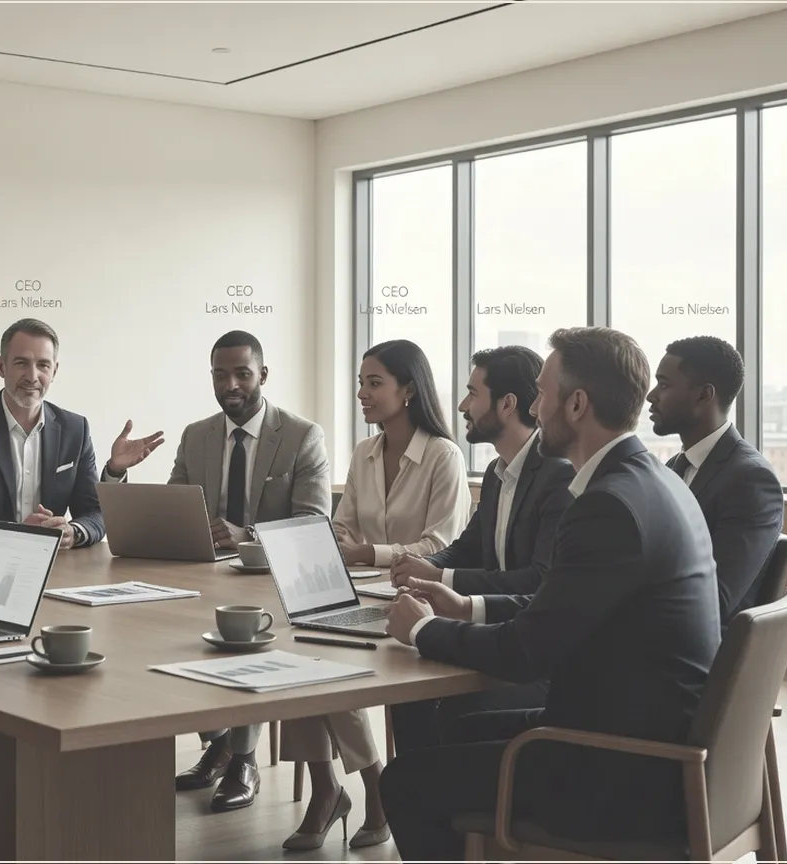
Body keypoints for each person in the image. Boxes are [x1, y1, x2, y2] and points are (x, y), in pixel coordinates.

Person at [380, 326, 721, 861]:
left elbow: (526, 652)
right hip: (655, 741)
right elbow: (564, 606)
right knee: (455, 727)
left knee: (404, 781)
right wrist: (465, 605)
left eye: (542, 393)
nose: (535, 409)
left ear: (578, 404)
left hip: (621, 768)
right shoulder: (654, 479)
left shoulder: (606, 506)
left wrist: (421, 629)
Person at [277, 339, 470, 851]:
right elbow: (339, 529)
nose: (362, 392)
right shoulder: (364, 453)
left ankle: (372, 790)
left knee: (324, 662)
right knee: (296, 652)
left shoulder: (443, 456)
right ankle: (330, 788)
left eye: (374, 382)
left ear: (409, 389)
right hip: (358, 596)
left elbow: (442, 546)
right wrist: (351, 550)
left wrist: (370, 554)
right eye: (361, 382)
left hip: (417, 601)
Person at [137, 330, 330, 813]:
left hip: (270, 581)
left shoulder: (302, 435)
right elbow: (174, 503)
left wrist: (246, 534)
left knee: (243, 636)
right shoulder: (196, 435)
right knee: (156, 630)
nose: (232, 384)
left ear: (263, 375)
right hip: (201, 578)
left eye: (242, 373)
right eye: (221, 375)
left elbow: (312, 524)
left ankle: (242, 760)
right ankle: (220, 739)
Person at [386, 346, 574, 751]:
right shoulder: (496, 471)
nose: (461, 405)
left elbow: (540, 580)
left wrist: (442, 578)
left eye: (472, 393)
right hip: (492, 629)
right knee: (405, 693)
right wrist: (423, 565)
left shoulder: (559, 477)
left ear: (507, 404)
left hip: (531, 654)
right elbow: (465, 548)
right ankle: (421, 796)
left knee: (428, 702)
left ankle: (424, 795)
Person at [0, 318, 163, 549]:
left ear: (54, 370)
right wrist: (19, 534)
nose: (32, 376)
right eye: (22, 363)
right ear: (1, 367)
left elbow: (94, 512)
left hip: (57, 567)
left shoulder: (76, 429)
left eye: (43, 365)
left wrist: (73, 531)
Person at [647, 335, 785, 625]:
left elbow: (716, 600)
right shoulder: (674, 467)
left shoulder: (750, 479)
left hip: (692, 649)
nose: (651, 396)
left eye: (664, 384)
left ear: (704, 394)